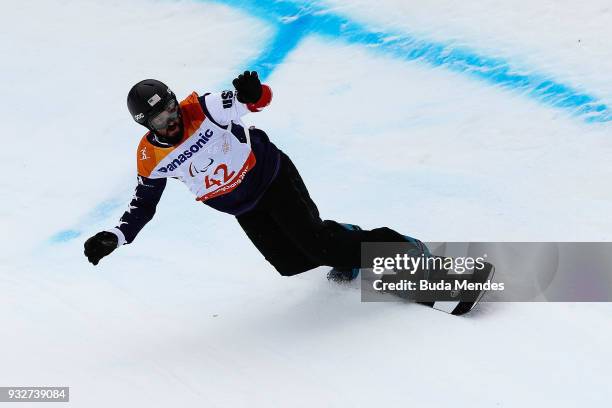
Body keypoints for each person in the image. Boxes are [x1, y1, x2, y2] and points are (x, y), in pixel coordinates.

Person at [83, 71, 426, 281]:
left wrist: (253, 93)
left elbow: (260, 100)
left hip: (271, 178)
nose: (171, 121)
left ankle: (401, 249)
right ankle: (343, 240)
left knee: (322, 248)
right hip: (245, 207)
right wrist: (116, 236)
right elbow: (143, 206)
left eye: (171, 109)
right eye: (159, 120)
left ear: (176, 101)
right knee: (291, 263)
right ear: (146, 125)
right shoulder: (151, 158)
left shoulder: (204, 107)